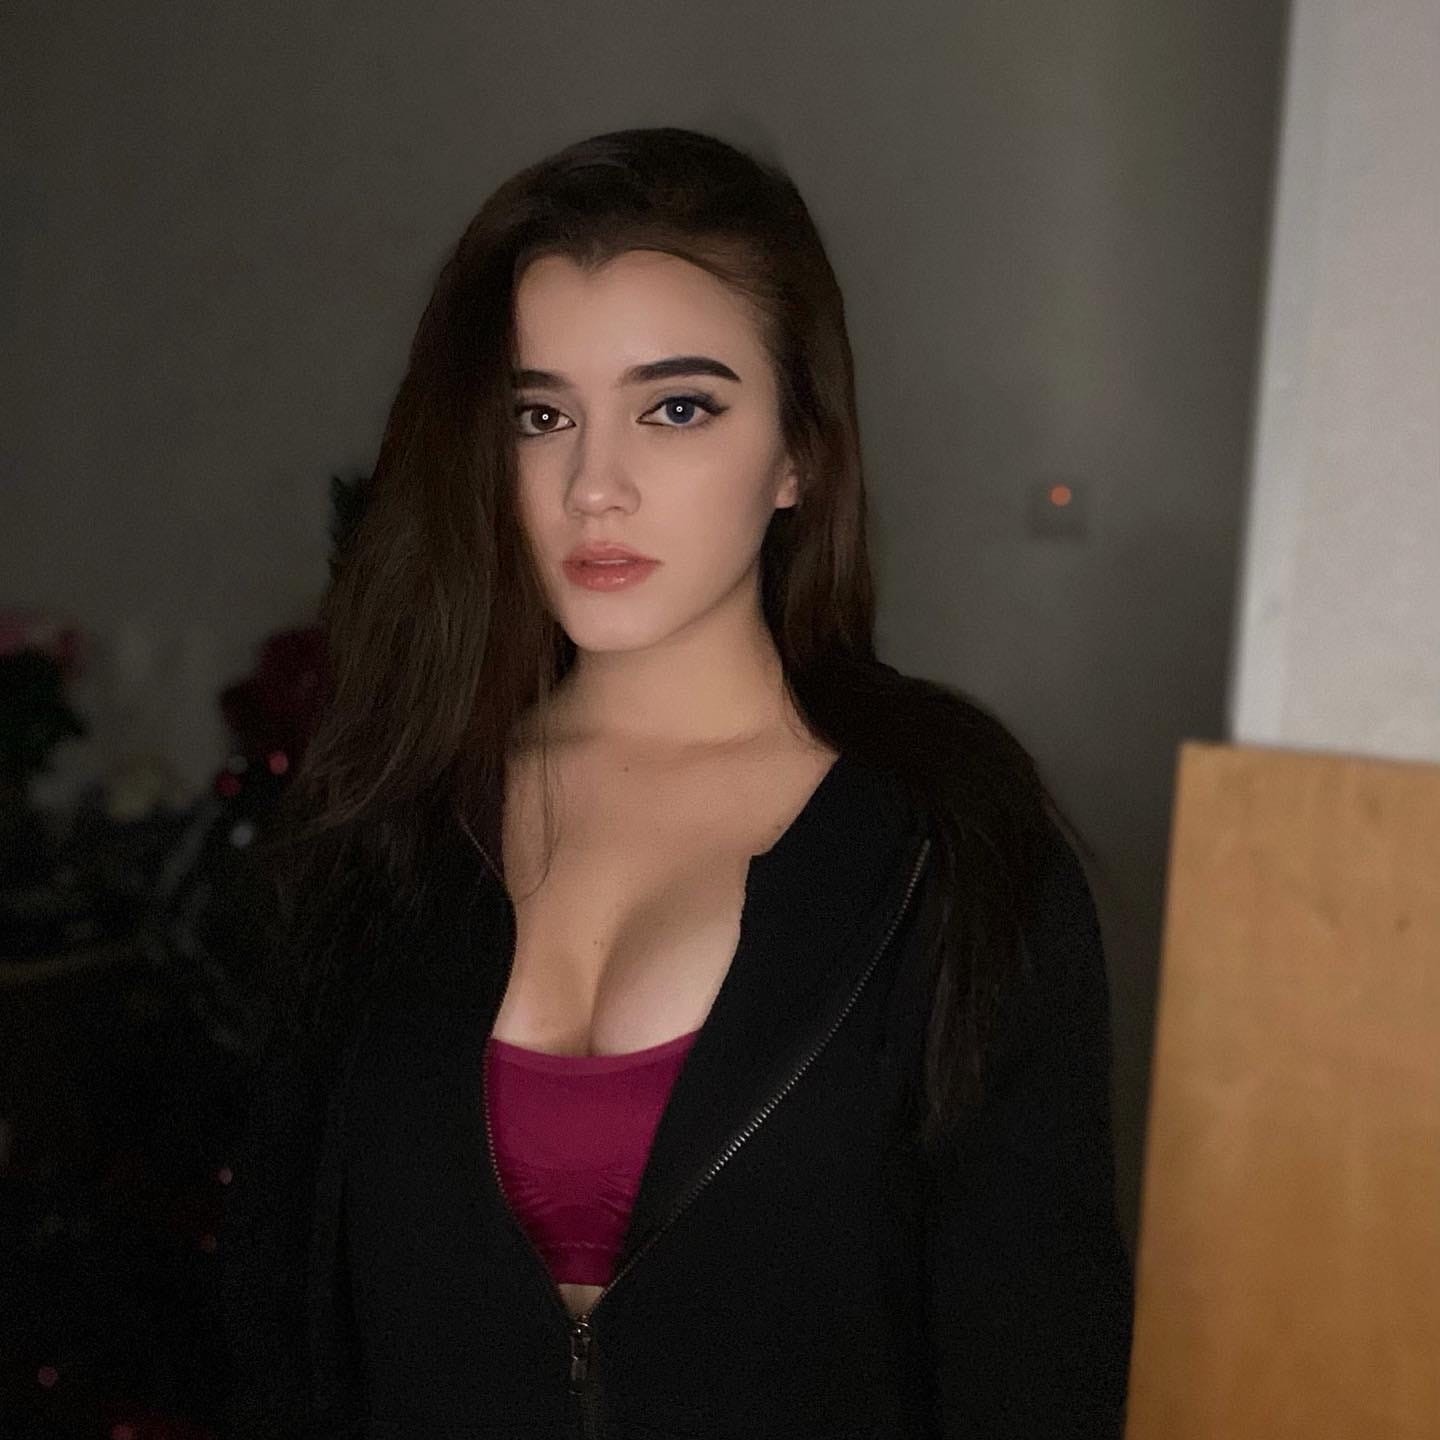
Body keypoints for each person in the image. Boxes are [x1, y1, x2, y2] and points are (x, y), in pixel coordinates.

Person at [219, 125, 1134, 1439]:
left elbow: (1035, 1364)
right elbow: (284, 1332)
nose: (595, 487)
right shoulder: (392, 819)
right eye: (541, 416)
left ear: (798, 452)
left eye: (678, 407)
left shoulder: (951, 850)